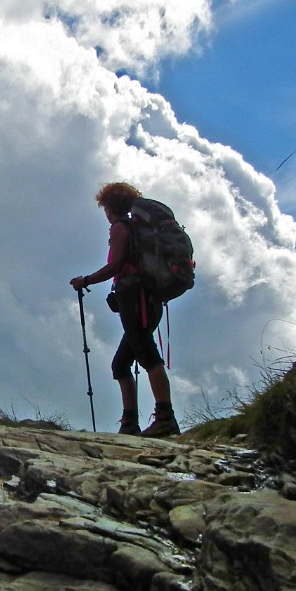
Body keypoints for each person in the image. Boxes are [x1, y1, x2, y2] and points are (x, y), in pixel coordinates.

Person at [69, 181, 180, 437]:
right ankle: (130, 423)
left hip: (135, 299)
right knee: (121, 364)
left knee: (147, 355)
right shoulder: (135, 228)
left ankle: (165, 418)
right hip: (145, 300)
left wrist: (86, 280)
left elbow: (116, 265)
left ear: (109, 208)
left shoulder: (120, 228)